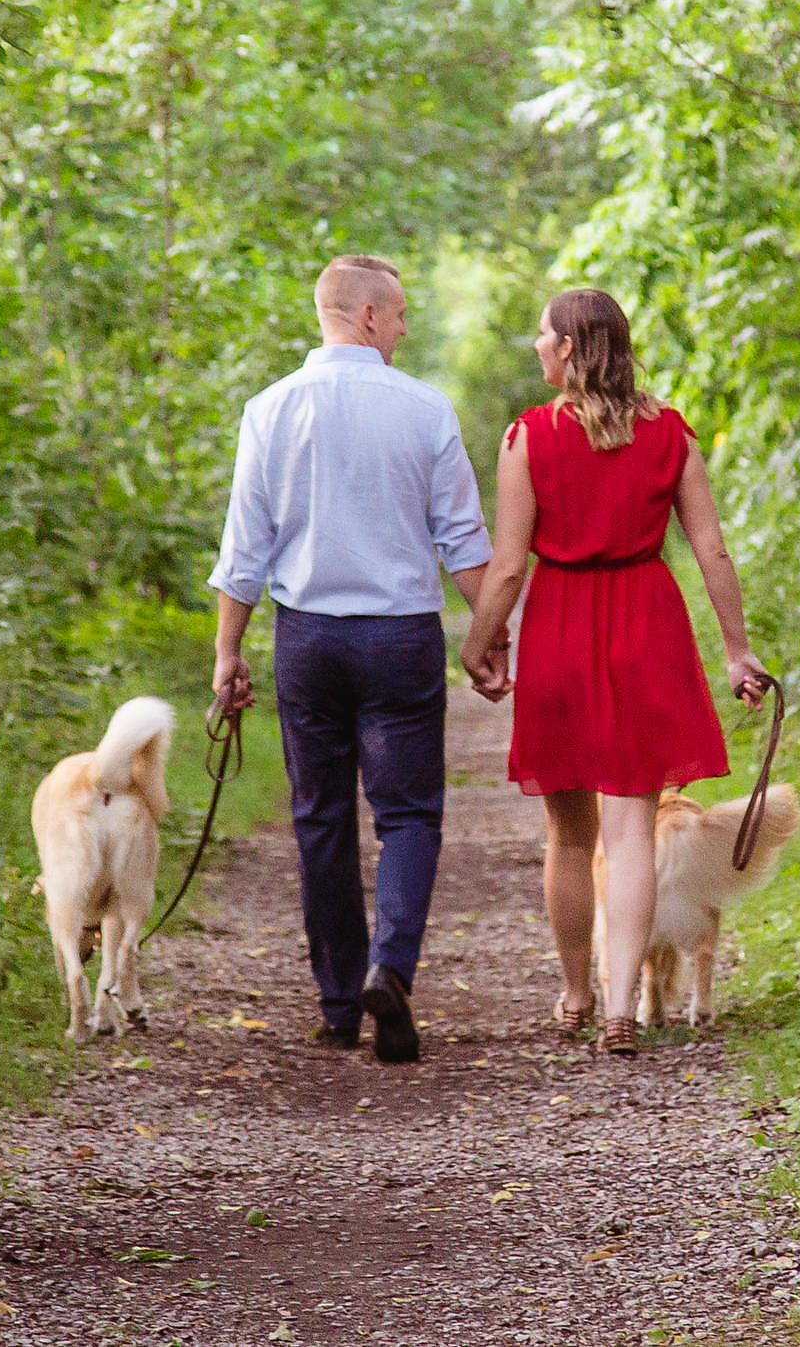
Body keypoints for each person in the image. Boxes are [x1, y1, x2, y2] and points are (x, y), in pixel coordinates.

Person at [457, 287, 773, 1055]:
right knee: (630, 831)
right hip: (647, 626)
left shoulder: (528, 437)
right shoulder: (671, 434)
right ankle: (622, 1009)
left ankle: (575, 992)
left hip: (562, 628)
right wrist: (737, 649)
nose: (534, 345)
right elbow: (712, 553)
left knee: (570, 835)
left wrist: (481, 642)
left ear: (568, 348)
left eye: (541, 335)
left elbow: (505, 568)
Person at [209, 255, 491, 1064]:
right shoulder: (424, 409)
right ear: (366, 316)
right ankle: (389, 974)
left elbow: (245, 547)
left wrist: (229, 650)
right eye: (399, 314)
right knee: (407, 814)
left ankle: (338, 1006)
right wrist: (497, 634)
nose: (406, 327)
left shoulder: (269, 409)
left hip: (308, 639)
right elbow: (464, 545)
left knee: (320, 817)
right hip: (399, 636)